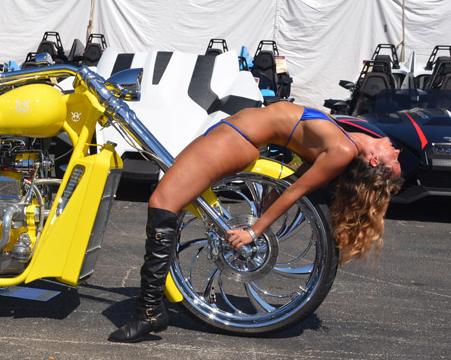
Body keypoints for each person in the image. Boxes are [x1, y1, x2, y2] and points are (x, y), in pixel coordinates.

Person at [108, 101, 404, 343]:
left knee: (162, 202)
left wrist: (254, 231)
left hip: (238, 138)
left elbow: (295, 192)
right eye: (397, 156)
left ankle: (148, 311)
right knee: (170, 192)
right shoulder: (346, 140)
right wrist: (271, 195)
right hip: (231, 132)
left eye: (394, 160)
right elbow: (295, 176)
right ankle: (153, 305)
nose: (397, 151)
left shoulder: (343, 151)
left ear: (375, 161)